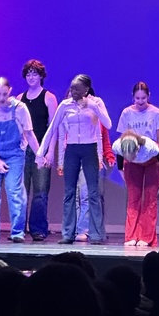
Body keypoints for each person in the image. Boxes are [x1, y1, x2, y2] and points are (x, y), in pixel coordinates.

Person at [37, 74, 112, 244]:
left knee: (92, 192)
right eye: (71, 88)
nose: (73, 91)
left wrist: (92, 105)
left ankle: (96, 234)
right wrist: (41, 152)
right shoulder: (65, 105)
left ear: (86, 89)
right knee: (69, 192)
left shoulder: (96, 103)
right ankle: (68, 233)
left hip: (89, 149)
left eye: (77, 88)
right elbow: (53, 128)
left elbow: (108, 124)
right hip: (71, 149)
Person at [0, 77, 40, 243]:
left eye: (4, 94)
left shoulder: (20, 109)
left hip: (14, 154)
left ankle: (17, 232)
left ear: (10, 91)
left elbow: (29, 134)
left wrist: (39, 155)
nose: (2, 98)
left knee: (14, 191)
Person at [116, 81, 159, 247]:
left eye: (143, 98)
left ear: (149, 96)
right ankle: (131, 236)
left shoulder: (157, 113)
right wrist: (122, 170)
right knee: (133, 197)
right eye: (137, 98)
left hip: (152, 157)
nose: (140, 101)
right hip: (132, 156)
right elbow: (122, 145)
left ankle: (146, 237)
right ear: (133, 97)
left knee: (150, 198)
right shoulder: (126, 113)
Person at [18, 59, 58, 242]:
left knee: (40, 191)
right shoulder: (20, 99)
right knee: (20, 190)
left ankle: (38, 229)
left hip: (41, 149)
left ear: (41, 76)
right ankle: (18, 228)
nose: (31, 77)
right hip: (22, 151)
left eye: (34, 74)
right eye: (28, 74)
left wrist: (49, 152)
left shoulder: (49, 98)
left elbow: (54, 127)